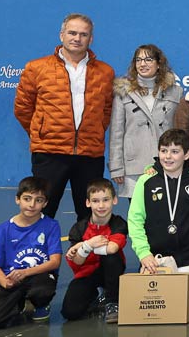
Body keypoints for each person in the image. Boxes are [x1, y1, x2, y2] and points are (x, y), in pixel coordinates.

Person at [14, 13, 115, 220]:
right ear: (62, 35)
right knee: (41, 211)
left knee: (90, 214)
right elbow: (23, 108)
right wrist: (41, 132)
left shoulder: (105, 72)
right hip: (49, 153)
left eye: (83, 34)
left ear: (91, 39)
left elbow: (106, 110)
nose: (77, 38)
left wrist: (93, 132)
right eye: (72, 33)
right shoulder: (36, 68)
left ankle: (87, 244)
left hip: (89, 154)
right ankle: (38, 244)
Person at [127, 129, 189, 295]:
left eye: (174, 151)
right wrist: (144, 253)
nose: (167, 157)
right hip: (155, 259)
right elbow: (135, 219)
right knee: (157, 303)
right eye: (163, 150)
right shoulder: (146, 181)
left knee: (187, 303)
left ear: (187, 154)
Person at [0, 177, 62, 329]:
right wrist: (4, 282)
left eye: (38, 200)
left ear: (45, 203)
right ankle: (21, 304)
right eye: (27, 198)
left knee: (42, 290)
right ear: (17, 199)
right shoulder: (3, 230)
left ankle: (40, 304)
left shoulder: (51, 226)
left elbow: (55, 262)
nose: (32, 205)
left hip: (38, 276)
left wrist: (25, 272)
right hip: (12, 278)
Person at [110, 44, 183, 198]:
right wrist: (116, 168)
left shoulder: (175, 92)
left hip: (167, 164)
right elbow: (116, 133)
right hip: (133, 167)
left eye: (148, 60)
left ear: (159, 64)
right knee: (137, 211)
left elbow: (180, 131)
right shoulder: (123, 92)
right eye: (138, 60)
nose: (142, 64)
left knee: (166, 210)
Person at [61, 178, 126, 323]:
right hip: (86, 273)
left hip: (111, 272)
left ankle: (112, 302)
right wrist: (88, 244)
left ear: (114, 200)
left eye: (106, 200)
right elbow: (77, 261)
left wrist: (82, 247)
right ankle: (94, 295)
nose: (101, 205)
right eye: (95, 201)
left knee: (111, 257)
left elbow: (112, 248)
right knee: (70, 312)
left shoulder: (118, 223)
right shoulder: (79, 228)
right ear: (88, 203)